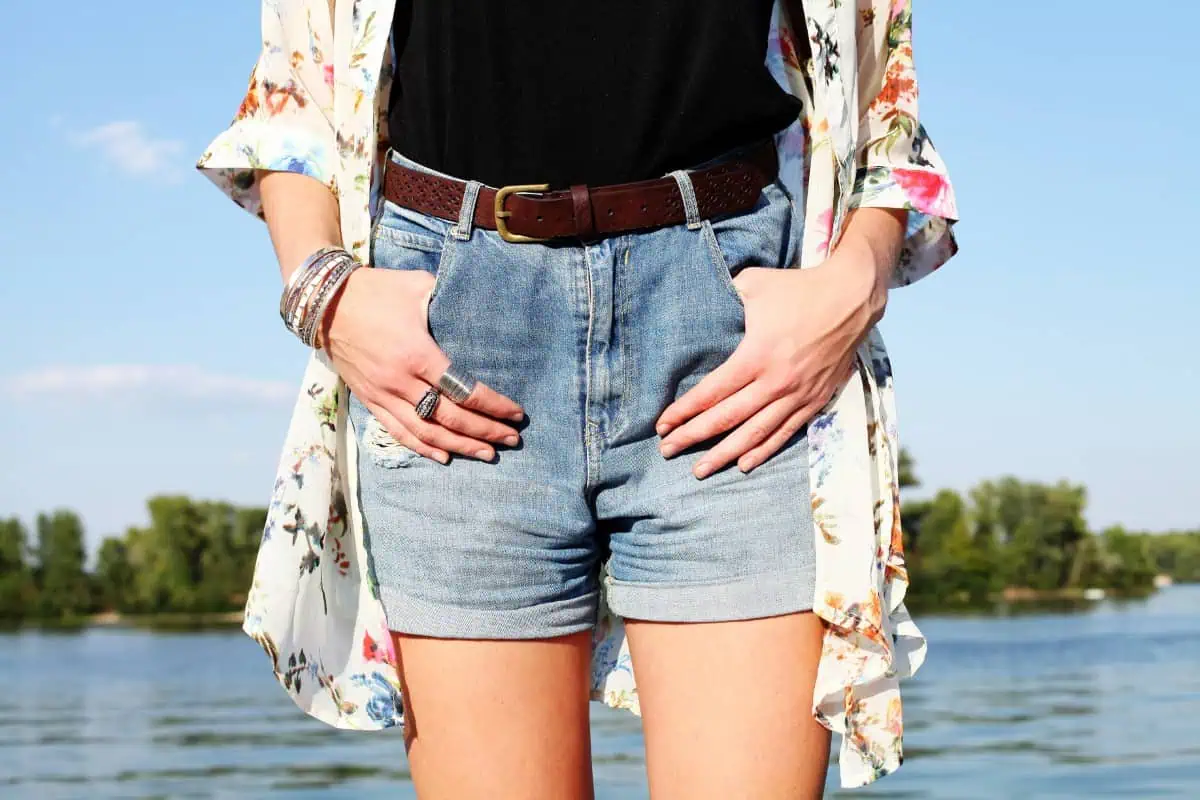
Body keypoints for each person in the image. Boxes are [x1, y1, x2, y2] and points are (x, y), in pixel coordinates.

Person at [197, 1, 958, 796]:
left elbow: (881, 82)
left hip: (735, 341)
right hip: (454, 343)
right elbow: (295, 74)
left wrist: (858, 280)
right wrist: (324, 293)